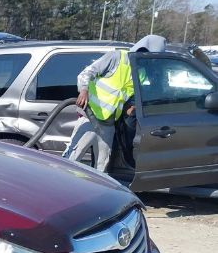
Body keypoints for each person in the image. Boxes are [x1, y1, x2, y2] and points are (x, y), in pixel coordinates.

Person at [62, 35, 166, 172]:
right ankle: (59, 183)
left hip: (108, 124)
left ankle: (94, 186)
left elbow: (128, 95)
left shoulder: (141, 73)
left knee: (102, 166)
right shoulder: (116, 57)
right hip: (90, 117)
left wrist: (131, 107)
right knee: (72, 159)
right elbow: (86, 73)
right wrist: (84, 90)